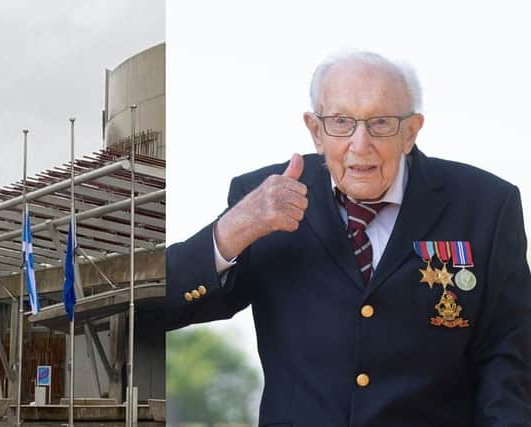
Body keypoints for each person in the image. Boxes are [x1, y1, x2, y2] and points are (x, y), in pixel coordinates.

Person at [166, 51, 531, 426]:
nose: (360, 144)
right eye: (341, 122)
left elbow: (508, 361)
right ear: (315, 130)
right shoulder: (264, 197)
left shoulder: (485, 206)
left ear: (411, 131)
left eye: (381, 123)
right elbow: (157, 308)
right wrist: (232, 230)